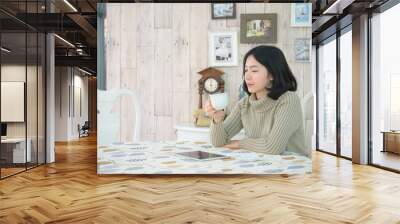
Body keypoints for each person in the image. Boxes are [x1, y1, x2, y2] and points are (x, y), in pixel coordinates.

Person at [205, 45, 309, 157]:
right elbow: (219, 142)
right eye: (246, 70)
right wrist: (217, 120)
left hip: (291, 168)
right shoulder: (244, 104)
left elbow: (273, 147)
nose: (247, 76)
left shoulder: (288, 100)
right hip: (261, 165)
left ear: (272, 74)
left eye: (254, 70)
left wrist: (240, 143)